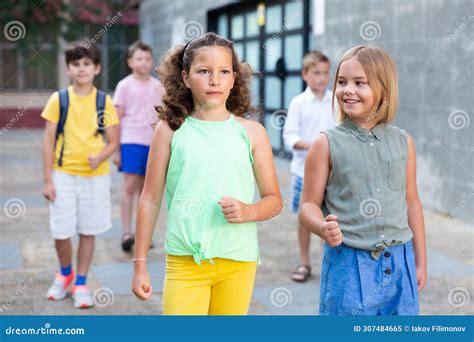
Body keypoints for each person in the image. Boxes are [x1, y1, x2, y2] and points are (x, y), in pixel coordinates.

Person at [131, 32, 283, 315]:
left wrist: (248, 211)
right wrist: (140, 265)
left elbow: (274, 200)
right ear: (186, 78)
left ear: (234, 78)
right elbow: (149, 199)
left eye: (224, 71)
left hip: (238, 261)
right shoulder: (170, 130)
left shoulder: (252, 133)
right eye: (204, 71)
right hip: (185, 260)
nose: (215, 80)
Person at [299, 45, 427, 315]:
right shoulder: (325, 144)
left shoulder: (405, 141)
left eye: (360, 83)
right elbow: (308, 205)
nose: (348, 90)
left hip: (400, 262)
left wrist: (420, 261)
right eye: (342, 82)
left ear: (384, 89)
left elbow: (412, 204)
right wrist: (322, 227)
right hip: (349, 265)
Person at [42, 40, 120, 308]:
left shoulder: (104, 102)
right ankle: (65, 274)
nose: (82, 68)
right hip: (63, 175)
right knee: (61, 231)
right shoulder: (59, 100)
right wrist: (48, 180)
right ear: (68, 69)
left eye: (87, 63)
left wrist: (100, 157)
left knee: (89, 230)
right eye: (76, 64)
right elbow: (48, 142)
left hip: (95, 178)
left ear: (97, 68)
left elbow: (113, 141)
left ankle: (81, 282)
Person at [283, 51, 337, 282]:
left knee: (331, 218)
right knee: (306, 219)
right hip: (304, 172)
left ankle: (331, 264)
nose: (322, 78)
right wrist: (315, 147)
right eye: (316, 73)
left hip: (333, 173)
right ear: (305, 74)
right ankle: (304, 263)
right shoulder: (298, 103)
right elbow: (290, 136)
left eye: (326, 73)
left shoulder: (336, 100)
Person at [112, 41, 165, 252]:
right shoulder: (124, 86)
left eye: (147, 58)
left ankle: (144, 234)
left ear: (152, 61)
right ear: (130, 62)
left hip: (152, 143)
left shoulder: (158, 86)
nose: (143, 62)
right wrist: (115, 149)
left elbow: (163, 116)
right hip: (130, 141)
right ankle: (127, 232)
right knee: (129, 188)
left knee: (147, 191)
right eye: (138, 58)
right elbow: (116, 118)